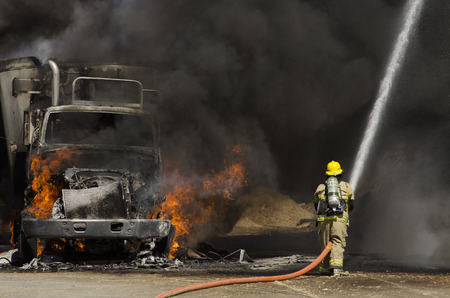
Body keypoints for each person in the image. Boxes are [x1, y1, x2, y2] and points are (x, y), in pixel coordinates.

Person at [314, 160, 354, 276]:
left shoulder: (321, 187)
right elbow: (351, 205)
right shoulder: (346, 187)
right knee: (337, 242)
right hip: (339, 220)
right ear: (340, 173)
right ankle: (336, 268)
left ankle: (325, 269)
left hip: (324, 221)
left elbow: (316, 205)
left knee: (325, 244)